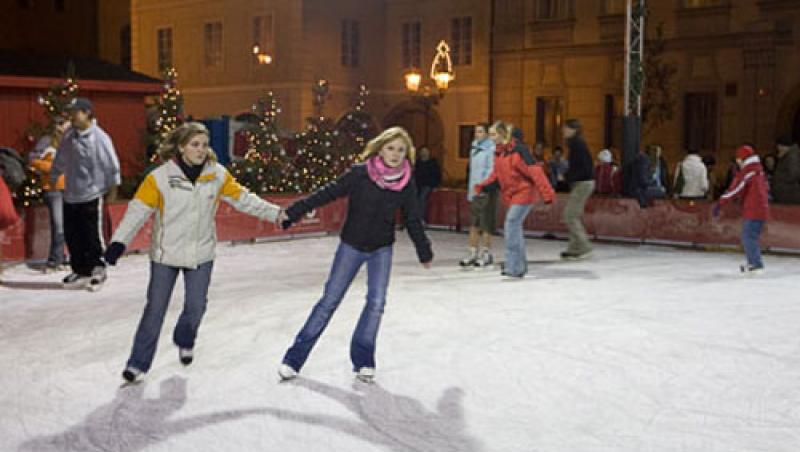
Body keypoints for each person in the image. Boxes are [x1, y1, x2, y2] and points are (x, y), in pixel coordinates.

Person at [103, 122, 283, 383]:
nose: (201, 150)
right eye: (194, 145)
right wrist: (118, 242)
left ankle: (185, 337)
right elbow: (137, 211)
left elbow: (245, 199)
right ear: (181, 147)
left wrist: (276, 214)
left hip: (201, 254)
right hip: (166, 255)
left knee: (196, 306)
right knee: (155, 309)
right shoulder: (160, 178)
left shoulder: (217, 175)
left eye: (204, 144)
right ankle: (137, 364)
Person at [278, 126, 433, 383]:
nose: (395, 154)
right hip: (352, 246)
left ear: (407, 154)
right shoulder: (361, 173)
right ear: (380, 148)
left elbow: (412, 218)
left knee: (376, 304)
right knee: (329, 301)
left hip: (381, 248)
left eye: (401, 150)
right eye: (391, 148)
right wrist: (295, 211)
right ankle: (294, 359)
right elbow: (328, 192)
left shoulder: (406, 182)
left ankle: (363, 359)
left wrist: (423, 250)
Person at [51, 98, 120, 290]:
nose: (72, 116)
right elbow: (61, 157)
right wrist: (55, 175)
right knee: (73, 233)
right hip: (71, 193)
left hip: (92, 192)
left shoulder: (99, 137)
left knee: (92, 234)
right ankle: (80, 269)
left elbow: (111, 164)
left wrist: (113, 187)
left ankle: (98, 267)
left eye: (76, 112)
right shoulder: (69, 136)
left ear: (87, 113)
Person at [475, 121, 554, 280]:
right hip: (512, 194)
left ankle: (513, 267)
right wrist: (483, 186)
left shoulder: (519, 150)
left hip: (524, 192)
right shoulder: (498, 153)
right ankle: (519, 265)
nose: (491, 138)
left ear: (503, 134)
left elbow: (535, 171)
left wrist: (547, 193)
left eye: (493, 134)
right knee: (514, 228)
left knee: (511, 224)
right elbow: (496, 176)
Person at [713, 144, 769, 274]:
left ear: (742, 159)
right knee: (750, 236)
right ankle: (754, 262)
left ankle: (755, 264)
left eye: (738, 159)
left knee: (748, 237)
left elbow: (736, 189)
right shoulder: (758, 170)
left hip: (754, 209)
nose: (737, 162)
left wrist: (720, 203)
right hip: (760, 207)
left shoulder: (748, 172)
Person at [29, 120, 70, 271]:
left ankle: (63, 257)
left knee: (67, 225)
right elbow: (33, 160)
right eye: (61, 125)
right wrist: (52, 167)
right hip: (53, 189)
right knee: (59, 225)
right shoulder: (46, 142)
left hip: (70, 188)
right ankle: (54, 260)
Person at [461, 123, 497, 268]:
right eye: (476, 131)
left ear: (487, 134)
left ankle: (486, 253)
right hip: (475, 190)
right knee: (474, 223)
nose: (477, 134)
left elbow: (491, 170)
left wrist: (484, 186)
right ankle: (472, 252)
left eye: (481, 131)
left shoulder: (491, 149)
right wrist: (471, 190)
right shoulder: (474, 147)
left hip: (486, 190)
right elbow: (472, 171)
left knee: (486, 223)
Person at [561, 119, 595, 260]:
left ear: (573, 130)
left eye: (566, 128)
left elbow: (584, 167)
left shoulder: (577, 145)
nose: (563, 131)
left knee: (570, 215)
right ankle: (574, 248)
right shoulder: (575, 144)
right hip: (582, 182)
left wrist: (567, 177)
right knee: (572, 215)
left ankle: (583, 245)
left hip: (583, 183)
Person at [413, 146, 441, 223]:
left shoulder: (433, 163)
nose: (424, 153)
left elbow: (437, 175)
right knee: (413, 198)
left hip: (429, 185)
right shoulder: (417, 163)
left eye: (426, 151)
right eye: (422, 151)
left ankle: (421, 218)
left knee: (422, 198)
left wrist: (436, 186)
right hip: (418, 185)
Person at [771, 135, 800, 204]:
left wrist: (778, 179)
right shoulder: (787, 155)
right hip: (785, 192)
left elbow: (793, 175)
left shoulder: (792, 157)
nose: (778, 148)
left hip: (788, 194)